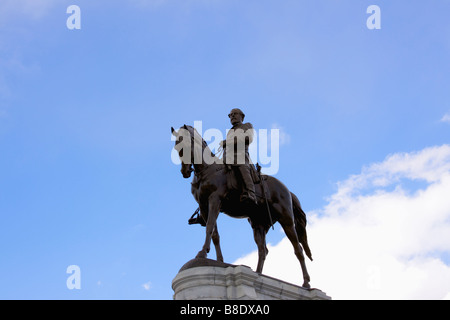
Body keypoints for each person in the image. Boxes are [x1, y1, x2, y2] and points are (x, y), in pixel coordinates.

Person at [220, 108, 257, 205]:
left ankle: (251, 192)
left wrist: (228, 142)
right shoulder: (230, 131)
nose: (232, 116)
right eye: (230, 115)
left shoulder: (247, 125)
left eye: (235, 114)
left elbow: (248, 138)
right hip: (227, 158)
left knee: (242, 166)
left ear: (242, 116)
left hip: (240, 156)